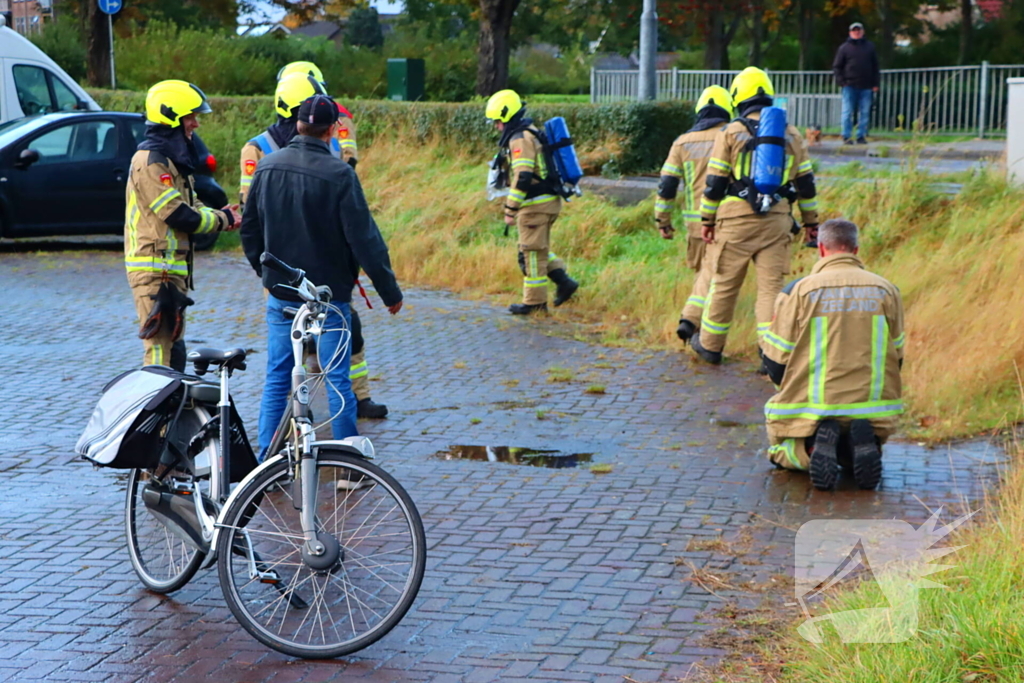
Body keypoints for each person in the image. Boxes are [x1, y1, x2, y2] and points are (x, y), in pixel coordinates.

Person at [240, 94, 403, 456]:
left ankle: (267, 460)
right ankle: (347, 462)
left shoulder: (266, 168)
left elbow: (249, 230)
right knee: (336, 378)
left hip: (282, 296)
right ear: (331, 131)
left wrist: (266, 274)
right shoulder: (340, 174)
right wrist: (389, 291)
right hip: (329, 298)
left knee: (278, 376)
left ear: (297, 124)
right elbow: (365, 239)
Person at [761, 219, 905, 491]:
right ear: (856, 249)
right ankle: (860, 445)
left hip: (815, 405)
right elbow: (897, 358)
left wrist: (789, 387)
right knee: (861, 440)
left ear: (821, 249)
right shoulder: (887, 290)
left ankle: (813, 446)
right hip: (871, 405)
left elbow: (776, 363)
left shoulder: (799, 290)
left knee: (780, 452)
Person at [695, 67, 819, 365]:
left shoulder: (731, 132)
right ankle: (770, 355)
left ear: (738, 97)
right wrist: (811, 223)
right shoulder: (791, 134)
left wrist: (707, 221)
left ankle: (710, 346)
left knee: (724, 285)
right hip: (777, 221)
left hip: (734, 222)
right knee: (770, 291)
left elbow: (714, 183)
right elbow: (806, 185)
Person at [125, 80, 238, 371]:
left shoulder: (170, 160)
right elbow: (177, 214)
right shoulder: (151, 161)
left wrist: (222, 215)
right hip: (154, 272)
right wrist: (223, 220)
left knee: (174, 351)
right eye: (191, 116)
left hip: (168, 273)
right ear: (171, 116)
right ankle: (156, 414)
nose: (196, 124)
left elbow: (193, 204)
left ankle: (173, 414)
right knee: (159, 353)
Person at [485, 89, 579, 315]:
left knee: (531, 254)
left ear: (506, 116)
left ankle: (535, 303)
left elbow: (523, 175)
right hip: (546, 202)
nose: (496, 126)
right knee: (537, 250)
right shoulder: (530, 131)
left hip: (535, 205)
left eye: (497, 121)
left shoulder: (520, 138)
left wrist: (510, 208)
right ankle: (564, 282)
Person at [654, 85, 735, 343]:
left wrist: (662, 219)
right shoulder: (733, 136)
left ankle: (695, 326)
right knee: (717, 277)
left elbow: (667, 186)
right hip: (729, 218)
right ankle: (699, 328)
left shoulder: (683, 142)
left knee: (703, 273)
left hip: (695, 225)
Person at [833, 22, 880, 145]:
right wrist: (842, 82)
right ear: (850, 32)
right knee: (847, 112)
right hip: (849, 85)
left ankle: (861, 136)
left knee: (864, 112)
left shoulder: (870, 47)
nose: (857, 32)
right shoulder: (844, 48)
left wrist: (875, 84)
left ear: (862, 32)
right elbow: (837, 67)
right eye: (854, 30)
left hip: (867, 86)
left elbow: (875, 66)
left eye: (858, 30)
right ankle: (846, 136)